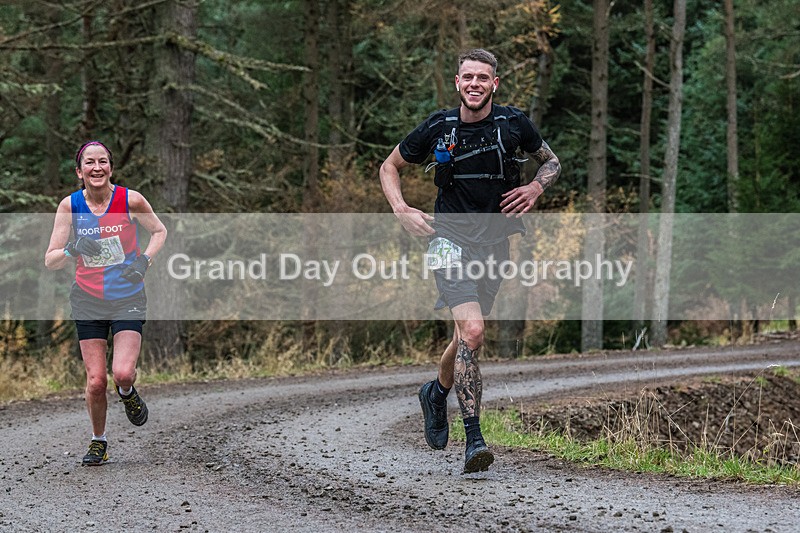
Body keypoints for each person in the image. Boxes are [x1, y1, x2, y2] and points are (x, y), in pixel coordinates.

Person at [379, 49, 561, 473]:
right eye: (468, 77)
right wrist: (401, 209)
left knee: (466, 337)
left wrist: (536, 188)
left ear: (494, 83)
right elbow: (389, 166)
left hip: (494, 244)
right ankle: (474, 439)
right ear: (457, 82)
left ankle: (435, 393)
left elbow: (551, 161)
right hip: (446, 240)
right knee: (475, 331)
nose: (475, 84)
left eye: (483, 77)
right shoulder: (439, 127)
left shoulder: (513, 124)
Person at [44, 141, 167, 466]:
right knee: (97, 381)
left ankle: (127, 392)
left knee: (123, 373)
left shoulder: (130, 200)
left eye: (102, 162)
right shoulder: (70, 206)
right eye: (89, 163)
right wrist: (72, 249)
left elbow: (159, 231)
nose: (96, 168)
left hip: (127, 296)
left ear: (110, 167)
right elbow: (50, 260)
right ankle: (99, 441)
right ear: (79, 171)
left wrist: (144, 260)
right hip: (88, 299)